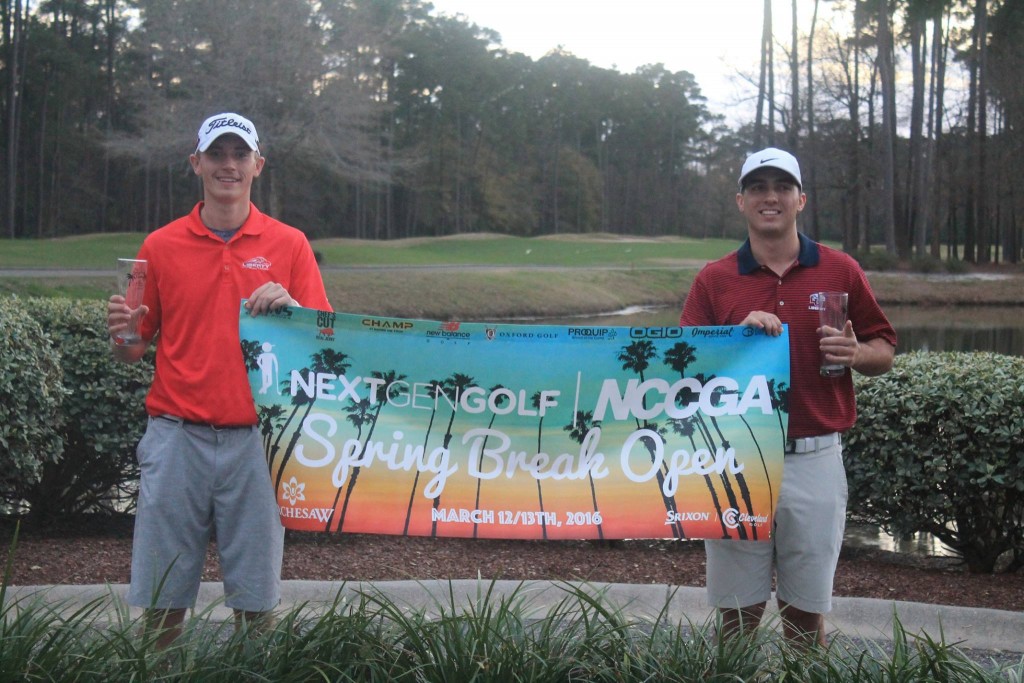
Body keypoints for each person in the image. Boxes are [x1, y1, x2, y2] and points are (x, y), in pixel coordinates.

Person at [107, 112, 332, 647]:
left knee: (255, 603)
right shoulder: (160, 245)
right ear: (196, 163)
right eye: (216, 154)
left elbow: (324, 345)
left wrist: (294, 308)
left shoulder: (290, 244)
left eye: (239, 155)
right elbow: (132, 350)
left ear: (258, 164)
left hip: (259, 441)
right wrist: (121, 333)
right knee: (163, 600)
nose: (227, 165)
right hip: (175, 436)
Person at [679, 147, 897, 647]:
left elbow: (884, 349)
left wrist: (855, 353)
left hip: (814, 456)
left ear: (801, 199)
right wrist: (734, 335)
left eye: (781, 187)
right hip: (736, 457)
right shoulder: (715, 278)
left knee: (806, 613)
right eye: (758, 187)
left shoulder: (840, 270)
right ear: (741, 201)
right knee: (737, 615)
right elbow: (684, 364)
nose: (770, 197)